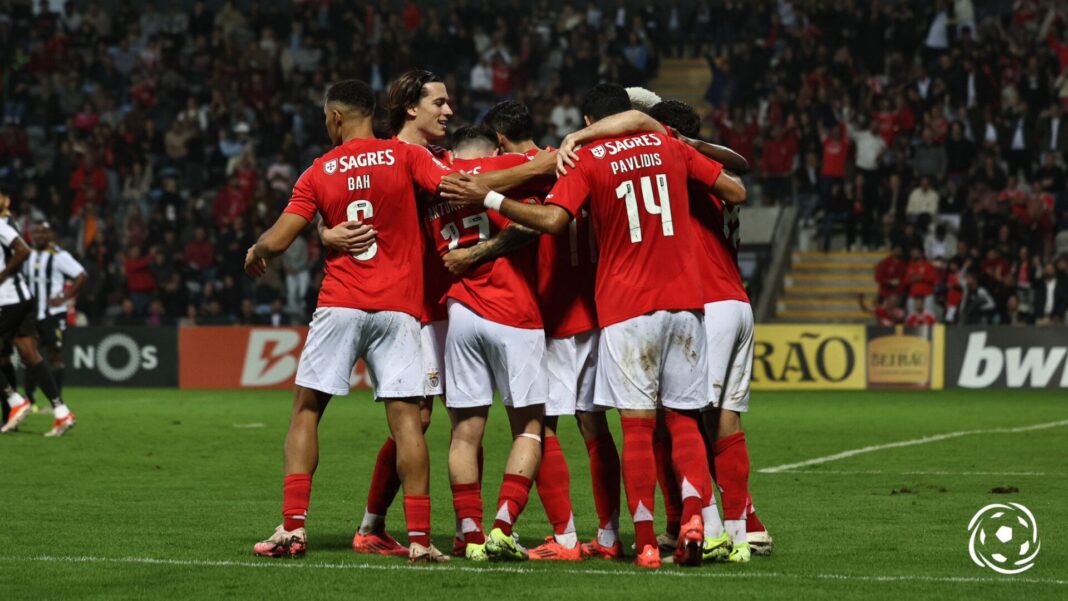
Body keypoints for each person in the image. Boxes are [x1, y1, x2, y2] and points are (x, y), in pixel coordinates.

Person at [441, 83, 747, 569]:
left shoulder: (577, 160)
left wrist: (494, 202)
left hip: (600, 309)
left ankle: (616, 540)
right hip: (678, 303)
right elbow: (736, 187)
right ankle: (689, 519)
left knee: (604, 428)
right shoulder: (667, 144)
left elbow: (553, 220)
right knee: (679, 420)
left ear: (588, 124)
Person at [247, 79, 453, 563]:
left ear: (336, 117)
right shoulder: (404, 156)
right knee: (407, 424)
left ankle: (293, 531)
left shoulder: (318, 171)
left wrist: (257, 250)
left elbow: (278, 241)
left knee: (307, 411)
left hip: (342, 302)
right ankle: (421, 540)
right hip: (399, 309)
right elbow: (451, 186)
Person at [474, 101, 622, 562]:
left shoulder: (518, 171)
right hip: (597, 312)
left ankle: (564, 538)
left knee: (540, 429)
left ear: (498, 139)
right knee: (596, 427)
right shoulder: (575, 161)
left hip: (552, 318)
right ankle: (610, 536)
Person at [424, 125, 547, 562]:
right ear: (493, 148)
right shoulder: (503, 166)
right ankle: (502, 528)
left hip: (460, 311)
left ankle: (469, 533)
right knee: (530, 427)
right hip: (514, 310)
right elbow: (549, 162)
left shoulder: (434, 181)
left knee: (463, 432)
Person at [0, 216, 76, 436]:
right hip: (23, 300)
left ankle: (16, 401)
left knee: (38, 354)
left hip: (9, 300)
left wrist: (3, 275)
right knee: (28, 354)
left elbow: (22, 250)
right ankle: (62, 412)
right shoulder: (6, 223)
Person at [23, 221, 86, 405]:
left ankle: (57, 402)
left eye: (43, 232)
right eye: (36, 232)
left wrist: (64, 298)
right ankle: (29, 399)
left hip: (54, 314)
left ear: (50, 235)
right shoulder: (27, 255)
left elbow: (82, 276)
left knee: (55, 356)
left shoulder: (59, 256)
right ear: (32, 235)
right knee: (29, 353)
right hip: (33, 314)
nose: (39, 236)